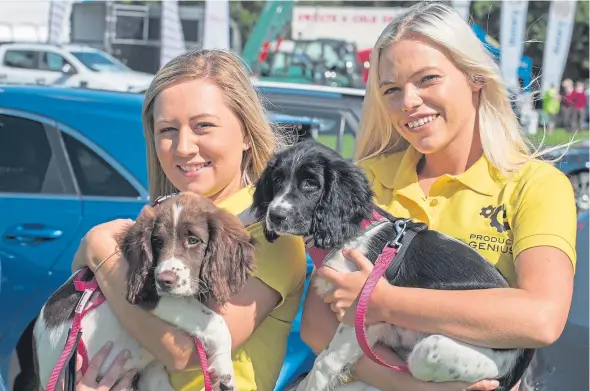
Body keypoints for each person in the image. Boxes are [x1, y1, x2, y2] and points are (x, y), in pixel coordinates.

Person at [300, 2, 577, 391]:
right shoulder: (367, 180)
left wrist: (385, 302)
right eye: (391, 89)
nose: (408, 102)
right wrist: (423, 389)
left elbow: (541, 317)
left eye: (427, 79)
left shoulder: (536, 185)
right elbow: (317, 325)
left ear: (475, 76)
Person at [71, 49, 307, 390]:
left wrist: (101, 253)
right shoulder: (160, 223)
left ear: (245, 133)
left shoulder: (270, 234)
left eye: (203, 126)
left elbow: (186, 352)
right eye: (167, 129)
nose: (183, 147)